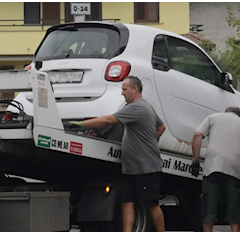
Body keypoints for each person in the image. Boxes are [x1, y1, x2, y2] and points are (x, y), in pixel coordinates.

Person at [66, 76, 166, 232]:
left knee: (151, 205)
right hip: (130, 169)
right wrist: (149, 140)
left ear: (135, 89)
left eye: (124, 89)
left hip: (146, 169)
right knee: (126, 203)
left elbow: (108, 120)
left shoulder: (137, 107)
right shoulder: (147, 107)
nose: (122, 93)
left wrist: (81, 124)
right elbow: (161, 128)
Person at [191, 106, 240, 232]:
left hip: (213, 168)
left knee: (209, 205)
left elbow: (197, 135)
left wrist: (195, 161)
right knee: (235, 207)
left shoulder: (213, 118)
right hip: (235, 170)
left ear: (226, 112)